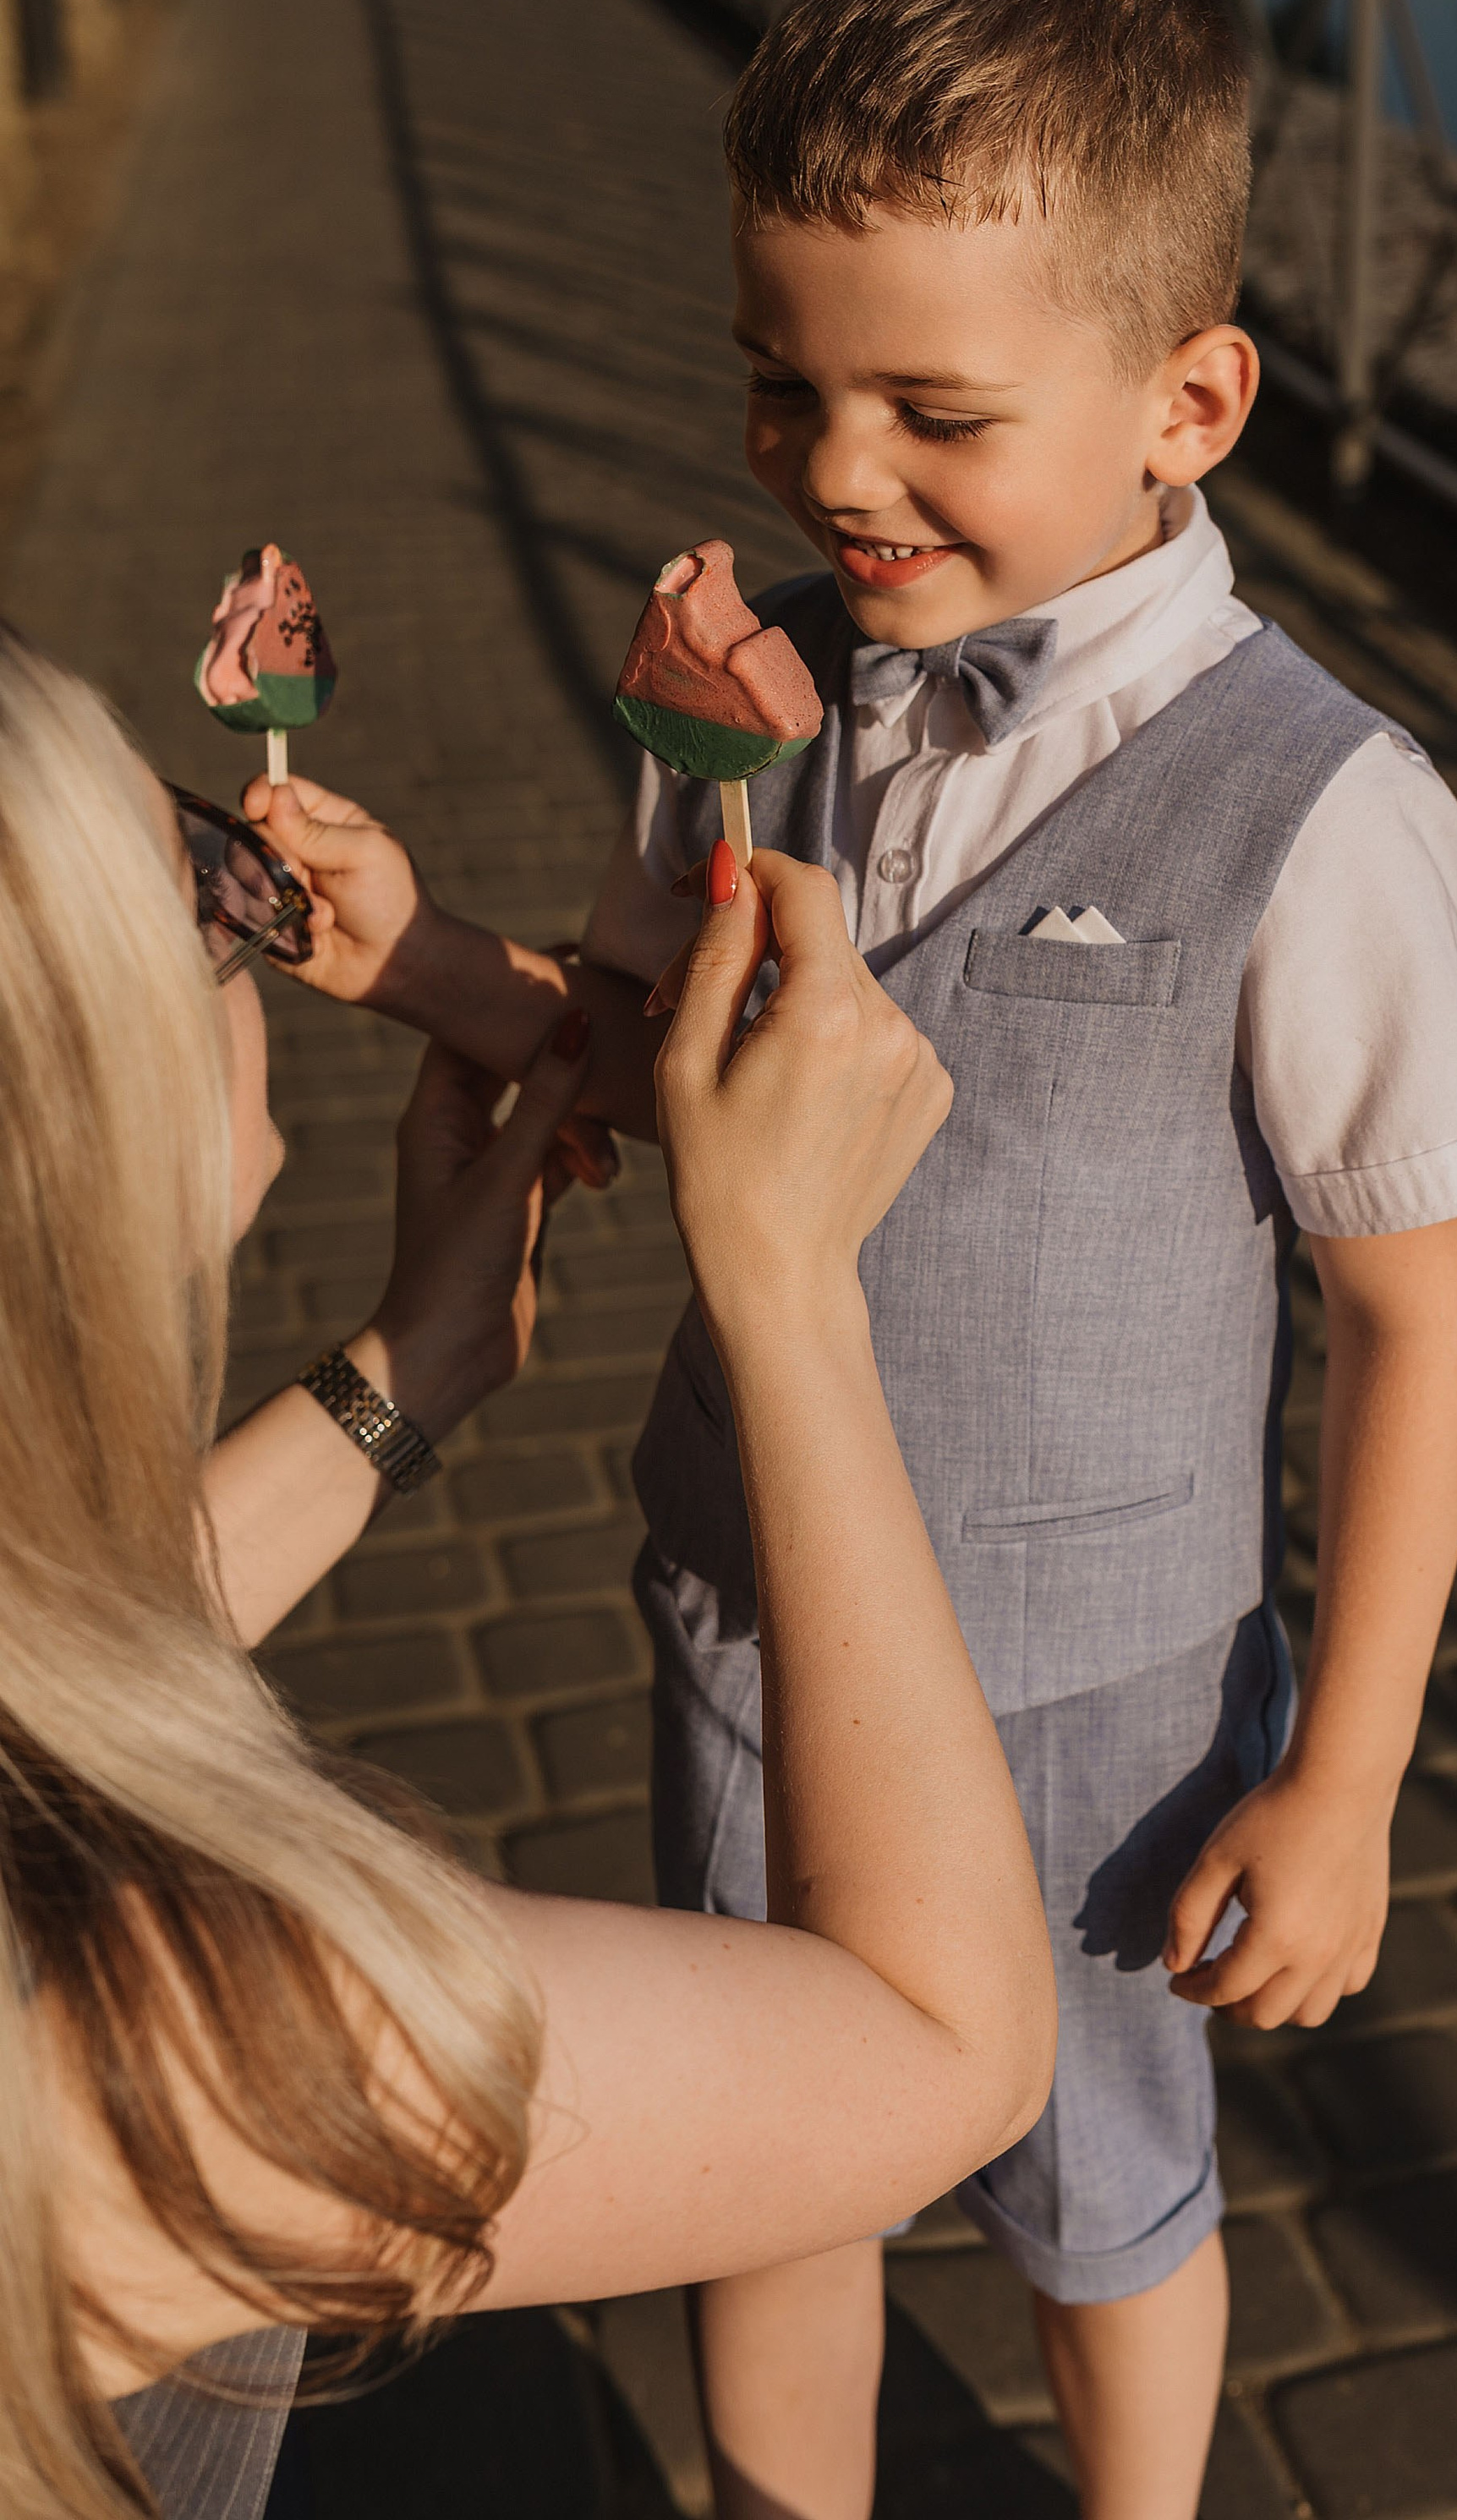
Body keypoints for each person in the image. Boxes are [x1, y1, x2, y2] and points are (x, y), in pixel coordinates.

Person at [242, 0, 1457, 2520]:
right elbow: (631, 1060)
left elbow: (1419, 1322)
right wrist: (414, 973)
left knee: (1101, 2193)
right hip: (739, 1604)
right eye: (782, 386)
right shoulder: (758, 701)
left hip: (1102, 1695)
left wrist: (1357, 1771)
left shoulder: (1325, 817)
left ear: (1190, 401)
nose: (839, 475)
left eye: (932, 414)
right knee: (764, 2171)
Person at [0, 625, 1054, 2520]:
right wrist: (791, 1289)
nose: (248, 900)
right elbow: (941, 2043)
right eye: (198, 887)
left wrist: (410, 1371)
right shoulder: (137, 2039)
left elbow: (51, 1660)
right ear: (75, 1106)